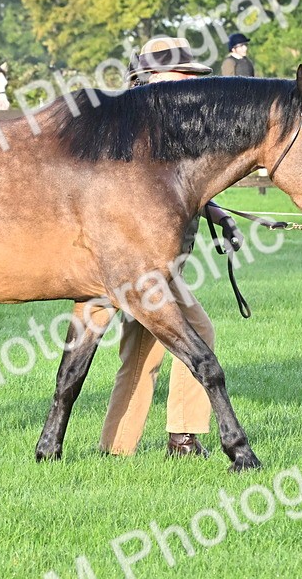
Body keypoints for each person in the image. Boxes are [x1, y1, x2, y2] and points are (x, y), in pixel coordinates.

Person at [100, 36, 243, 458]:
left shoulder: (163, 126)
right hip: (141, 262)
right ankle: (183, 437)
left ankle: (116, 447)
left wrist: (217, 214)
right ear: (154, 78)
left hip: (146, 262)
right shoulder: (139, 131)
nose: (189, 83)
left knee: (140, 354)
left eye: (190, 76)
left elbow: (179, 189)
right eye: (181, 75)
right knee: (198, 332)